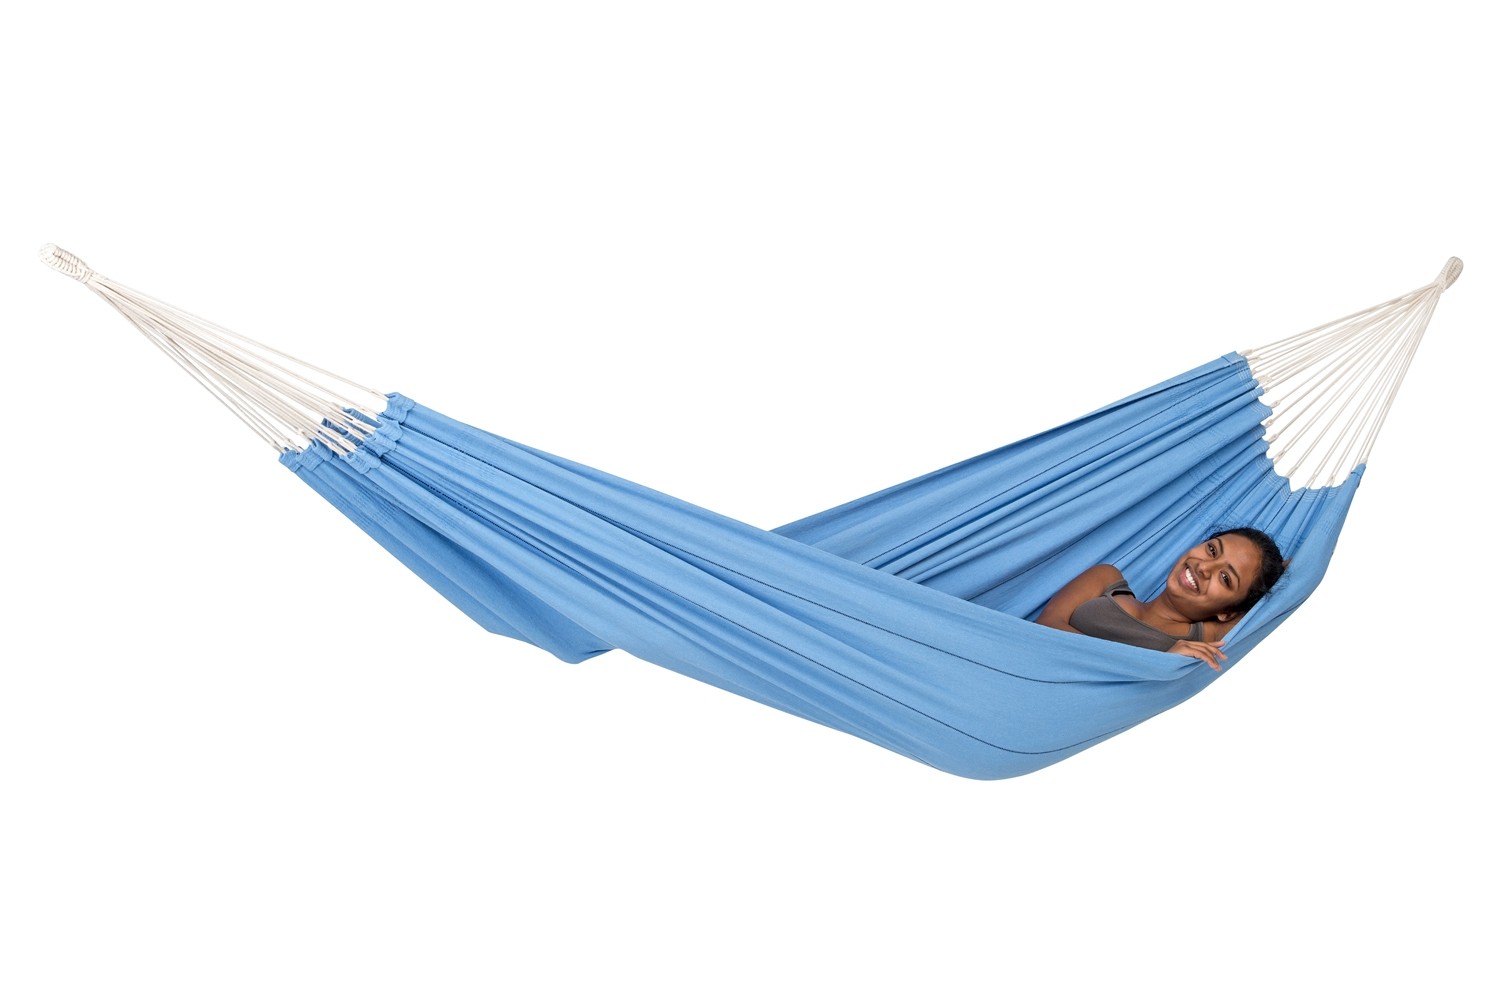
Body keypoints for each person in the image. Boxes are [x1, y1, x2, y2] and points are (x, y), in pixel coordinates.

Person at [1036, 528, 1287, 670]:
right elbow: (1045, 626)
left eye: (1225, 578)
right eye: (1212, 550)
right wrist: (1153, 661)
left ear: (1229, 613)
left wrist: (1166, 662)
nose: (1203, 567)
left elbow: (1291, 588)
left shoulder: (1203, 639)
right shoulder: (1105, 578)